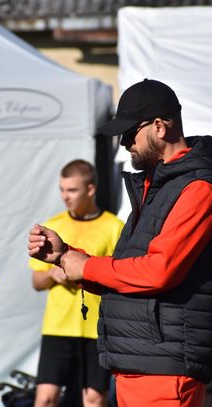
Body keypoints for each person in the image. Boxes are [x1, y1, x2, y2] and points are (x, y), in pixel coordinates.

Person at [28, 79, 212, 407]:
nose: (124, 143)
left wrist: (86, 266)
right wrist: (66, 256)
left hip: (165, 368)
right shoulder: (158, 186)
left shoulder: (198, 188)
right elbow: (128, 272)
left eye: (129, 133)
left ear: (159, 127)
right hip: (141, 361)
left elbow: (159, 270)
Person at [29, 159, 124, 407]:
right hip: (57, 327)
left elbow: (120, 276)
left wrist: (85, 272)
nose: (65, 196)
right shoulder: (54, 225)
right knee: (45, 398)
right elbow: (36, 281)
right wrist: (52, 274)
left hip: (96, 328)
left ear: (90, 189)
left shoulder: (114, 227)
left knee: (94, 399)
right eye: (62, 189)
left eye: (72, 190)